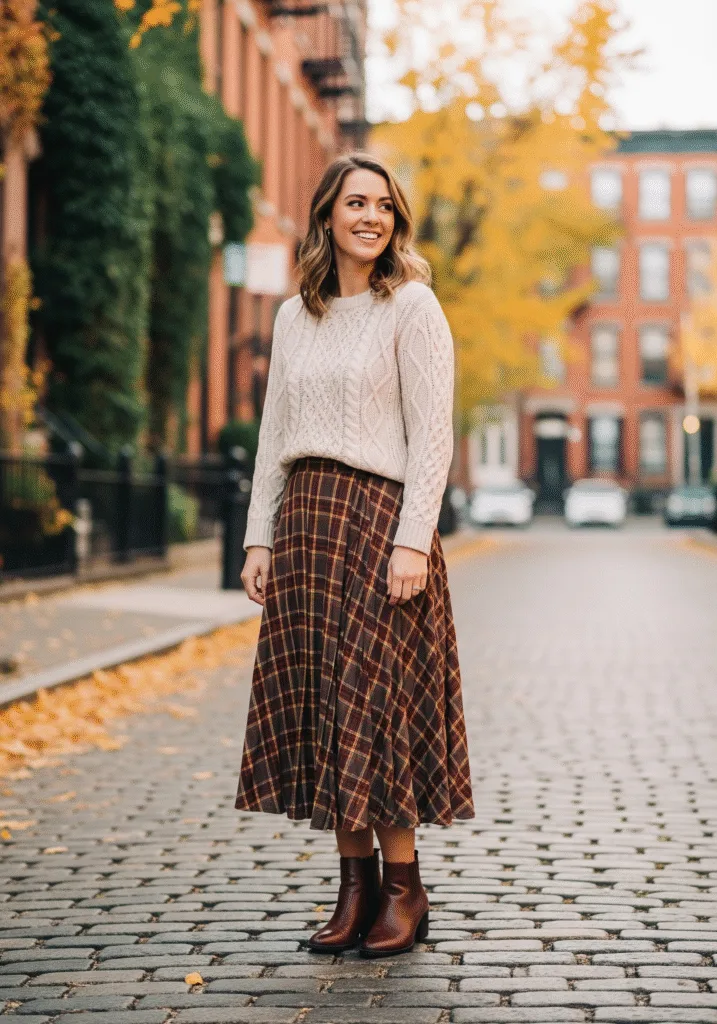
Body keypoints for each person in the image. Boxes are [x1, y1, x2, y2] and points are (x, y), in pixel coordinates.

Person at [235, 151, 474, 959]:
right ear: (326, 217)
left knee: (378, 706)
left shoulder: (411, 306)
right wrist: (259, 535)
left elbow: (432, 435)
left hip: (378, 523)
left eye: (383, 205)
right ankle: (354, 888)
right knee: (326, 709)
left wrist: (412, 540)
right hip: (306, 524)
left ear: (394, 220)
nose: (370, 216)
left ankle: (403, 887)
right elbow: (273, 432)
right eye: (354, 203)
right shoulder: (292, 317)